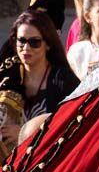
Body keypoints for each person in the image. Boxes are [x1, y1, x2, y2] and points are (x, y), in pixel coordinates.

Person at [0, 11, 79, 152]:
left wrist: (25, 132)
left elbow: (74, 123)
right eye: (21, 41)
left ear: (48, 44)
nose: (26, 48)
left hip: (48, 157)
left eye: (34, 42)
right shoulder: (6, 75)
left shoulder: (64, 81)